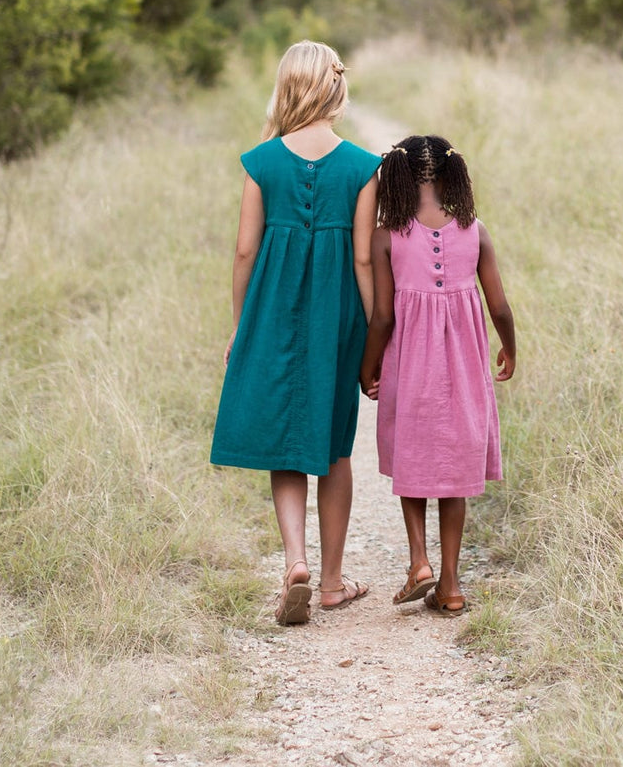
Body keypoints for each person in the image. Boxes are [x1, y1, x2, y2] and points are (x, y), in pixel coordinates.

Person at [210, 40, 381, 625]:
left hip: (273, 313)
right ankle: (331, 583)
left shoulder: (261, 161)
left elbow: (244, 251)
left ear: (286, 87)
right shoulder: (363, 166)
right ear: (336, 88)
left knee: (283, 443)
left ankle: (296, 563)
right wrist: (374, 339)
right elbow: (364, 260)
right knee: (334, 447)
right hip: (339, 319)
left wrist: (242, 325)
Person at [359, 135, 515, 616]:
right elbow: (499, 306)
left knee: (412, 462)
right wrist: (510, 347)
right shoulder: (475, 230)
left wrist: (368, 368)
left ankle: (419, 562)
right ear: (453, 176)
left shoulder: (386, 235)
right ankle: (450, 586)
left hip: (411, 369)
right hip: (463, 373)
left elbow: (383, 317)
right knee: (454, 473)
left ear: (395, 178)